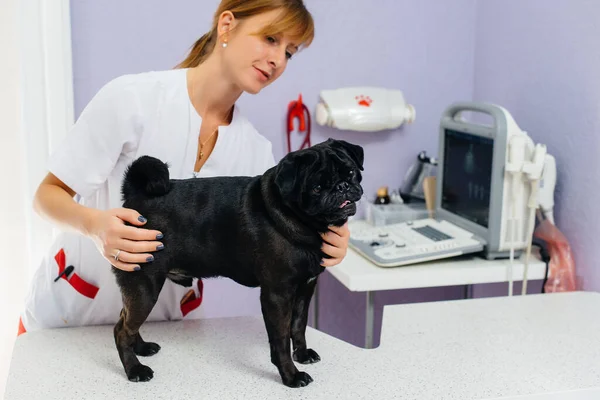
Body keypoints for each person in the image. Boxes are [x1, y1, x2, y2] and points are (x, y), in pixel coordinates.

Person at [19, 0, 351, 335]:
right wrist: (93, 225)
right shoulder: (131, 99)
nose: (278, 60)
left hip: (167, 325)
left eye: (290, 52)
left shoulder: (256, 152)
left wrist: (331, 235)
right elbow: (46, 197)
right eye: (270, 39)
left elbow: (284, 232)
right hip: (69, 316)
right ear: (226, 26)